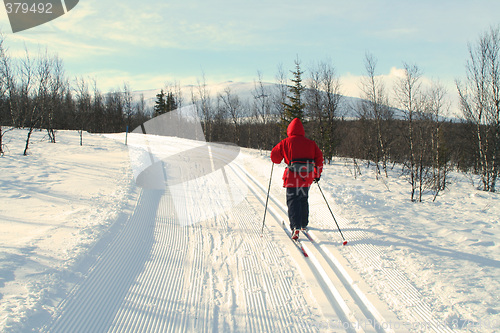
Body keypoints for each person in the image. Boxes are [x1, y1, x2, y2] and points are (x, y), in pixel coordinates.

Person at [271, 118, 323, 240]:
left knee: (293, 200)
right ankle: (304, 223)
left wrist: (278, 158)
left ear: (289, 130)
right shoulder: (311, 143)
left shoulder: (285, 142)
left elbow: (275, 157)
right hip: (306, 177)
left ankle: (296, 226)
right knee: (303, 198)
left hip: (292, 178)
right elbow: (319, 159)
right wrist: (317, 174)